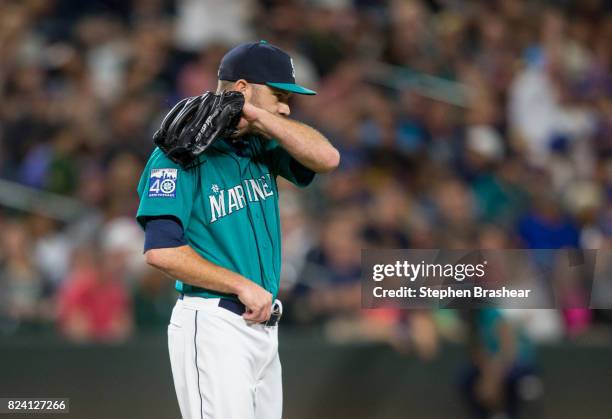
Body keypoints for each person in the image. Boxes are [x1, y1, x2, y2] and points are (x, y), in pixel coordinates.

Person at [136, 40, 340, 419]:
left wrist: (260, 117)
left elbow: (328, 158)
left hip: (261, 328)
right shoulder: (178, 153)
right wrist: (238, 284)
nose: (285, 106)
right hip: (213, 322)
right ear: (243, 88)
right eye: (278, 94)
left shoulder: (261, 143)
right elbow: (161, 250)